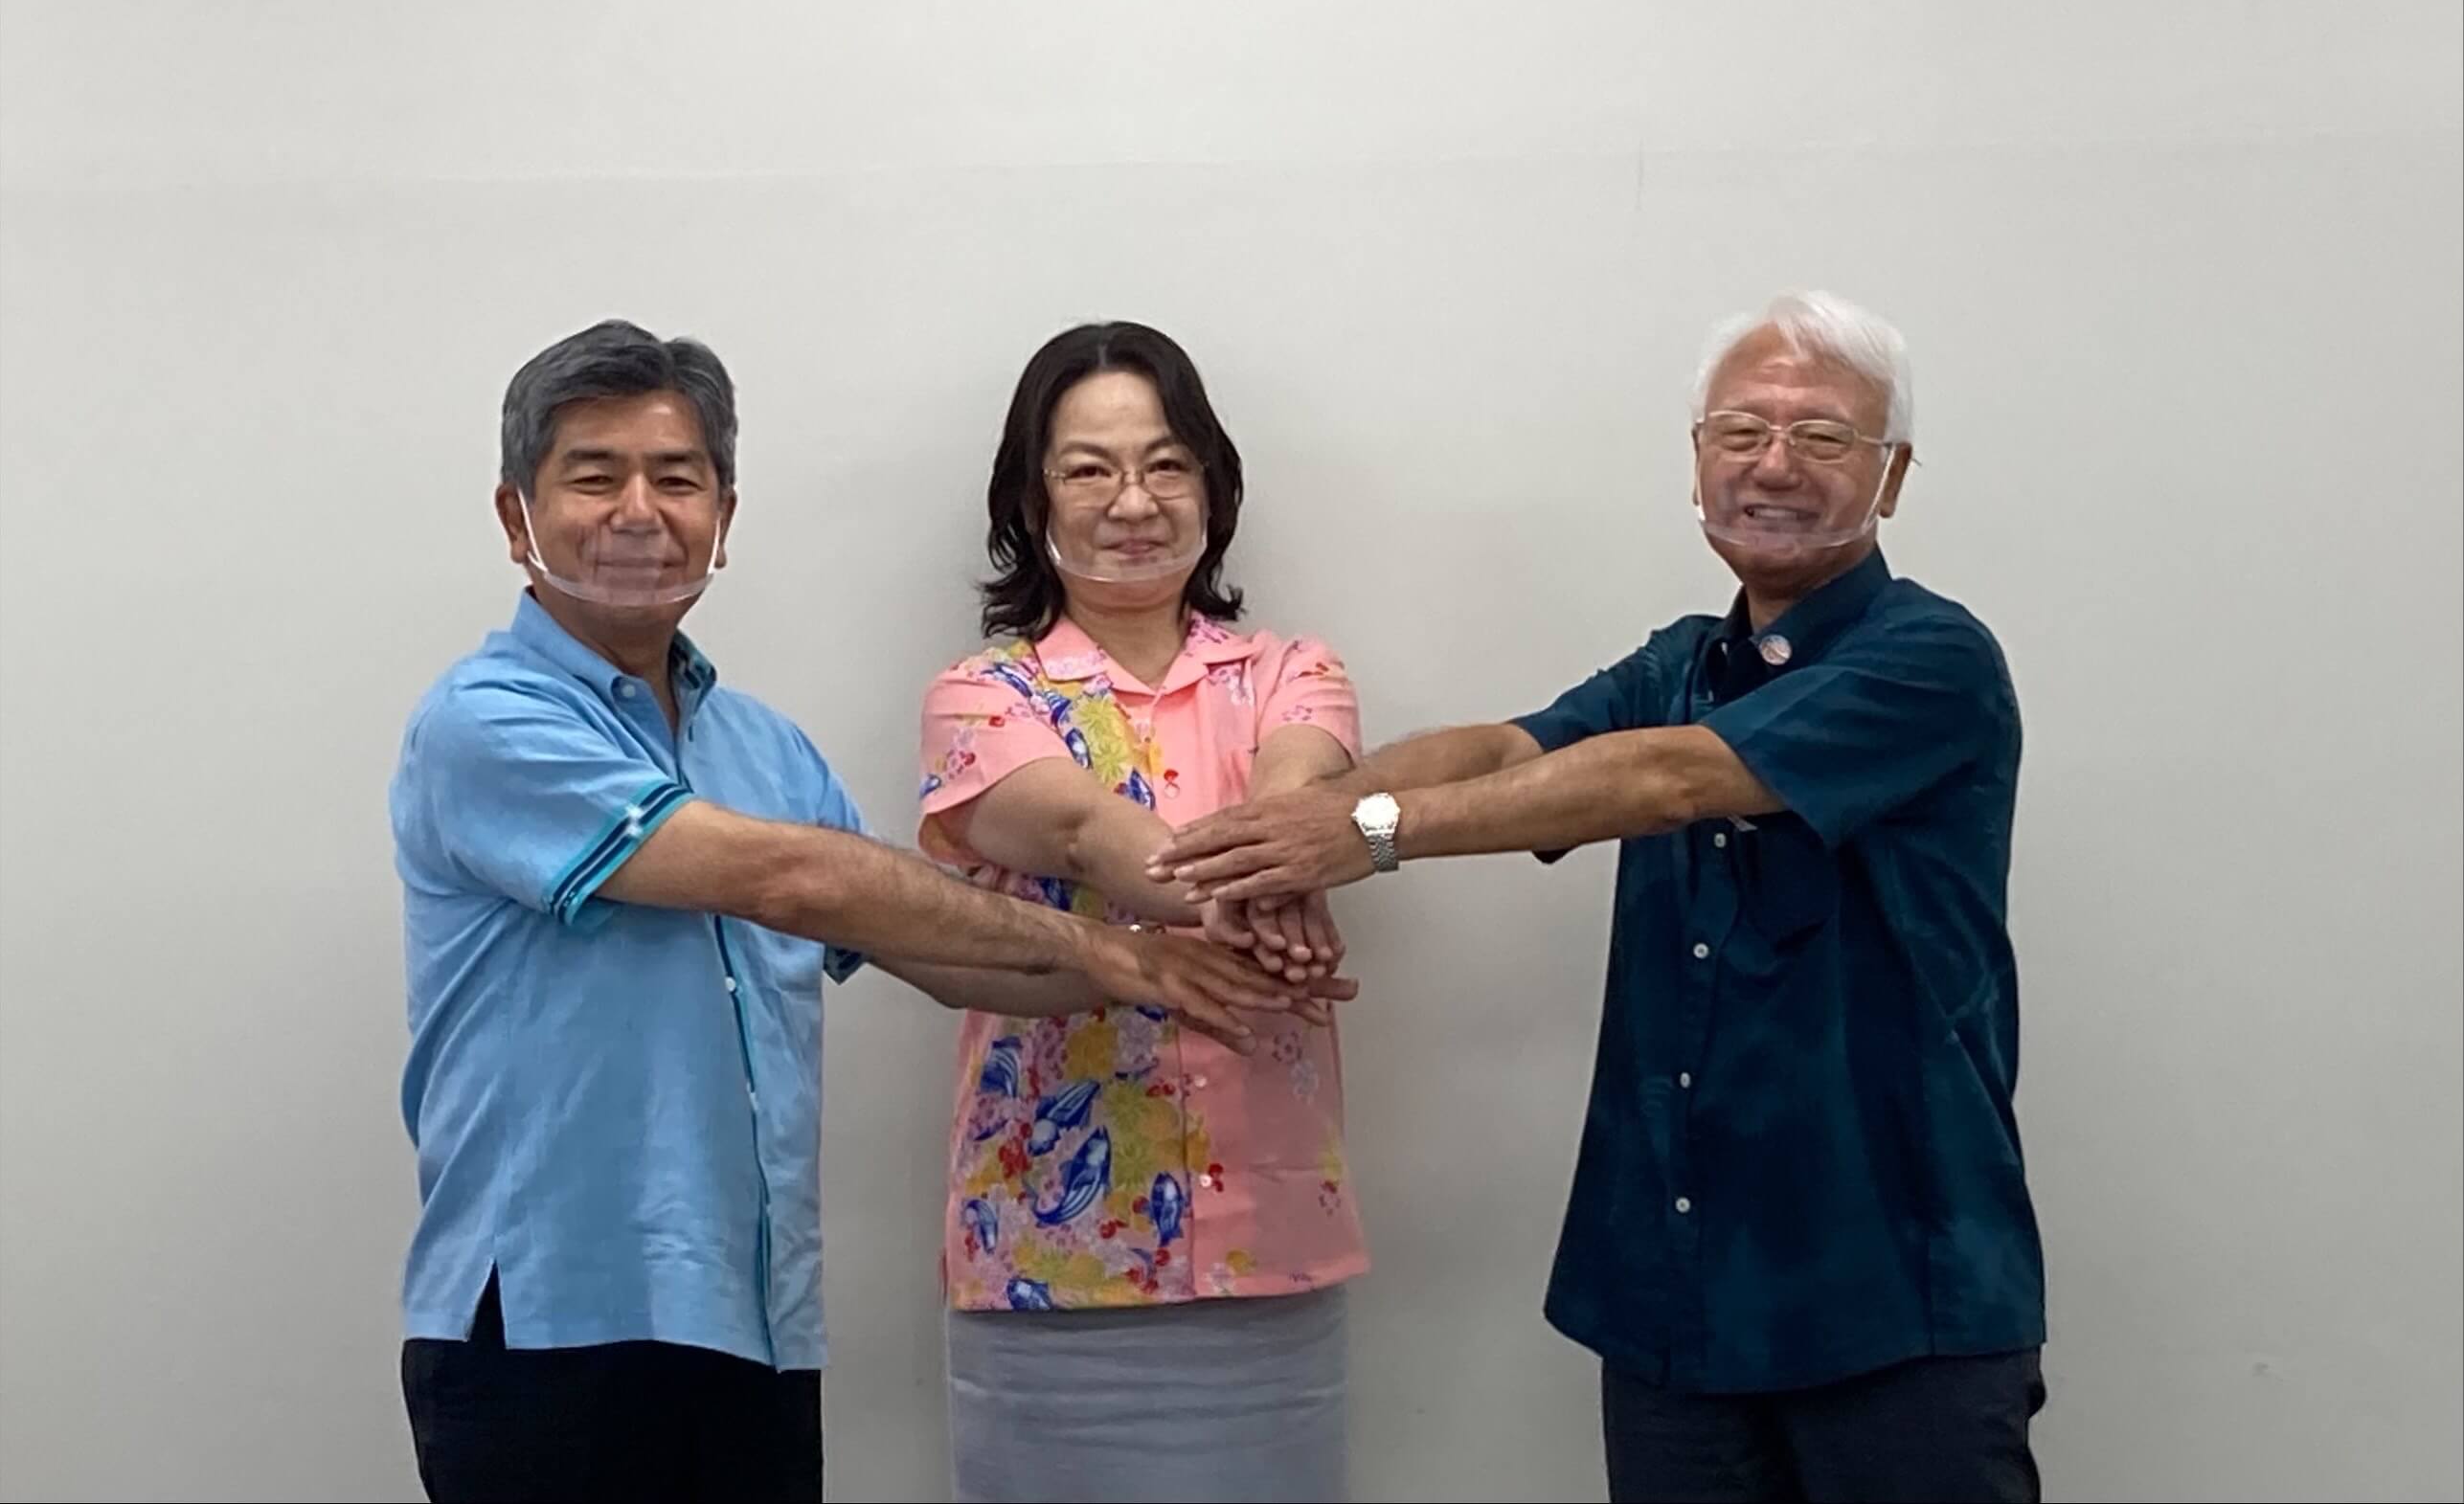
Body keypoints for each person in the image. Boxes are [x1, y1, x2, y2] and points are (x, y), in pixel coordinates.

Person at [389, 320, 1346, 1504]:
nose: (639, 512)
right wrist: (1112, 949)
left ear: (723, 517)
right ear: (515, 515)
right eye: (595, 477)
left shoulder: (761, 748)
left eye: (676, 479)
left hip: (749, 1318)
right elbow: (795, 882)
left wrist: (1162, 968)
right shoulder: (485, 720)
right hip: (542, 1323)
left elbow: (935, 949)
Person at [1152, 292, 2047, 1503]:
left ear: (1888, 478)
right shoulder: (1679, 661)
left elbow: (1665, 779)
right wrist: (1287, 839)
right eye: (1740, 432)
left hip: (1893, 1300)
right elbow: (1505, 752)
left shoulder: (1930, 659)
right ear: (1695, 457)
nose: (1772, 465)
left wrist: (1359, 835)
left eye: (1821, 437)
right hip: (1673, 1299)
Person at [914, 322, 1369, 1503]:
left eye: (1167, 464)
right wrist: (1272, 879)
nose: (1133, 500)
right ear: (1032, 499)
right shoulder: (980, 696)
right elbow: (1083, 834)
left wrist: (1294, 844)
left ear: (1213, 486)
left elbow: (1300, 799)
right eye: (1089, 469)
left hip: (1269, 1252)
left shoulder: (1292, 672)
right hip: (1047, 1259)